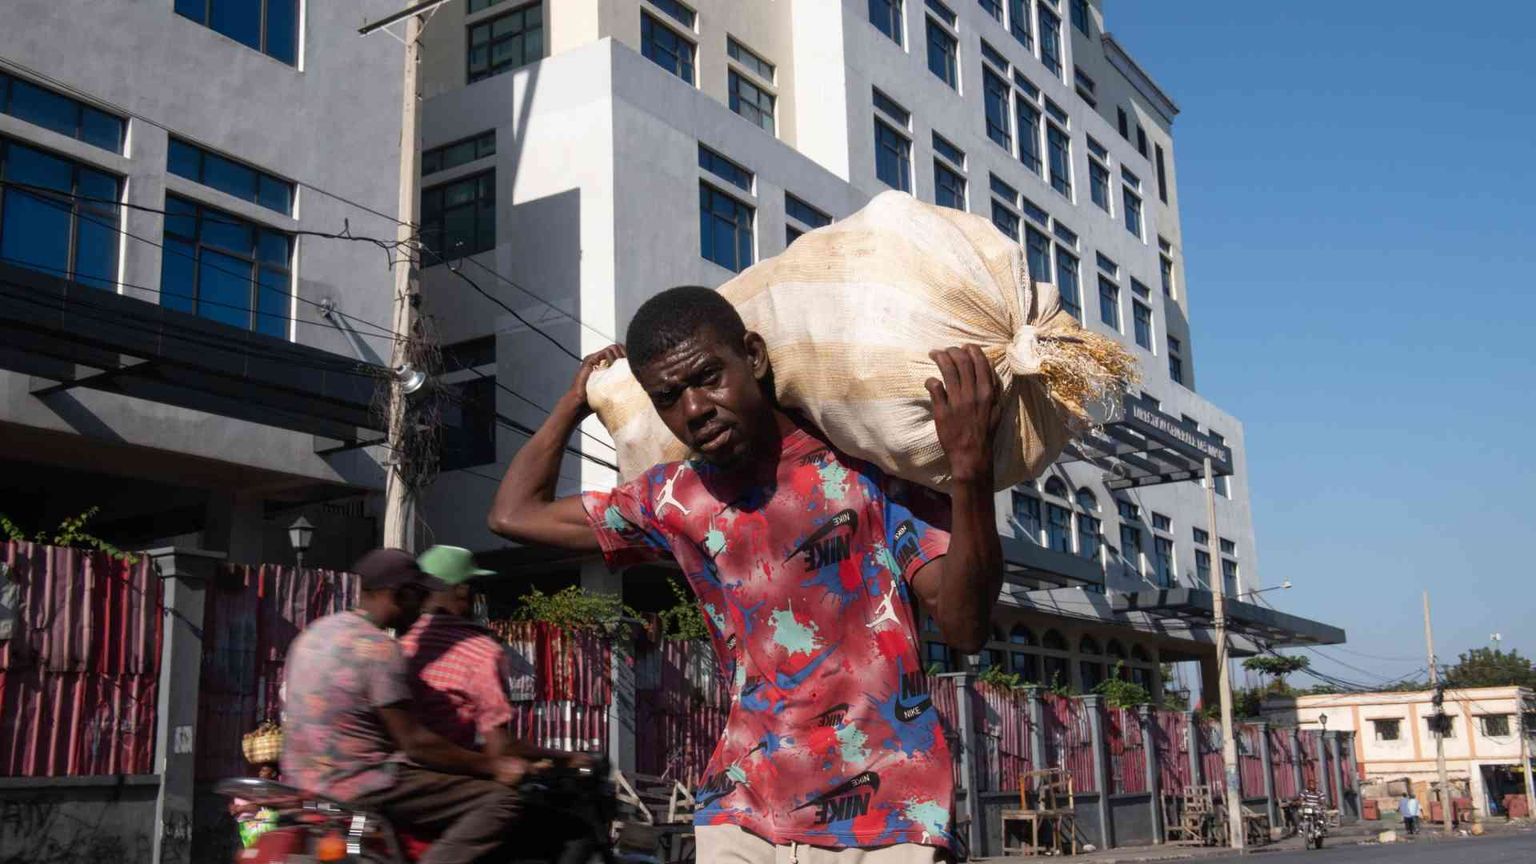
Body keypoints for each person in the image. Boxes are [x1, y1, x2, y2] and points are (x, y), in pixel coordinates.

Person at [487, 286, 1005, 862]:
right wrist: (574, 403)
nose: (694, 409)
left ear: (753, 356)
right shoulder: (676, 498)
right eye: (668, 398)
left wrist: (971, 473)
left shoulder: (868, 468)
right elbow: (513, 514)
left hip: (886, 811)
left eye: (708, 377)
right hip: (743, 808)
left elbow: (964, 628)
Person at [281, 548, 529, 864]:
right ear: (402, 594)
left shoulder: (314, 633)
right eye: (420, 596)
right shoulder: (380, 649)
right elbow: (415, 743)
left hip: (302, 782)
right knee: (501, 801)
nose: (424, 608)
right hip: (361, 783)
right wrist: (493, 766)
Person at [401, 545, 513, 753]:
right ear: (463, 591)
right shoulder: (481, 651)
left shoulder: (402, 646)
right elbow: (500, 746)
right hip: (458, 770)